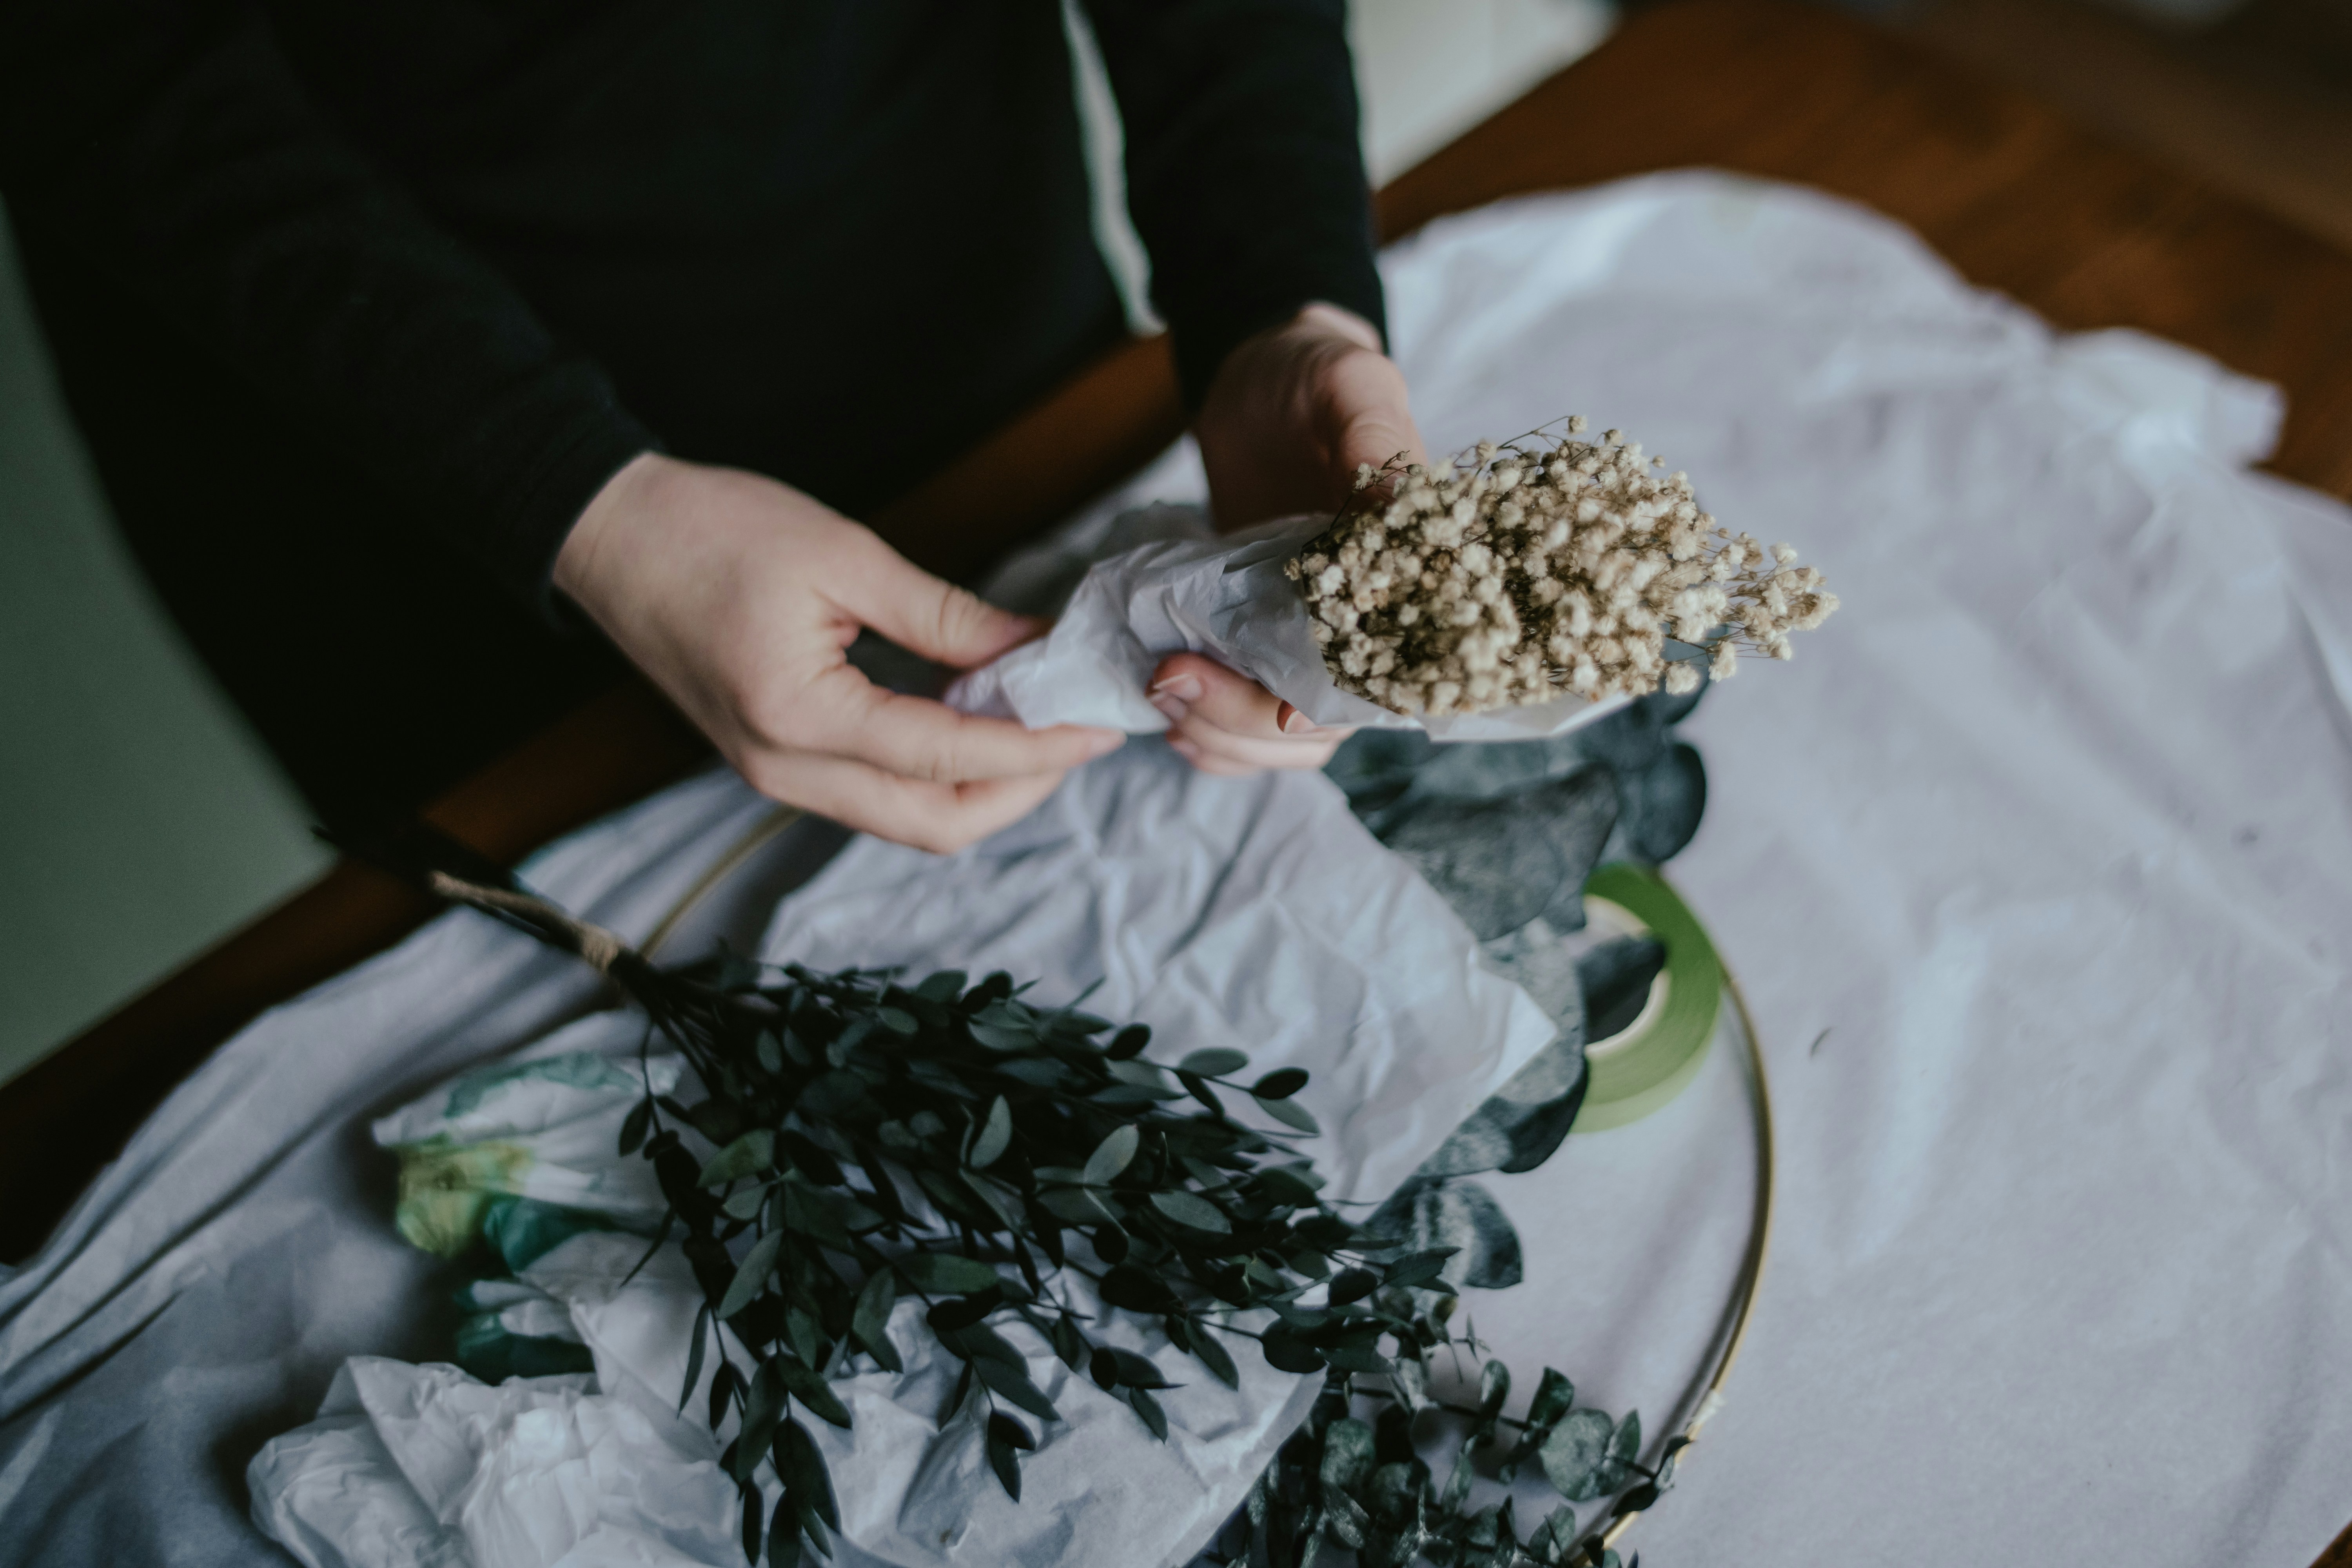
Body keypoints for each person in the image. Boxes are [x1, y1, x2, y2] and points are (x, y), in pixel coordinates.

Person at [1, 0, 1426, 852]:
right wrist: (568, 493)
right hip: (388, 440)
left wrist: (1275, 299)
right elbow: (92, 65)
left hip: (939, 238)